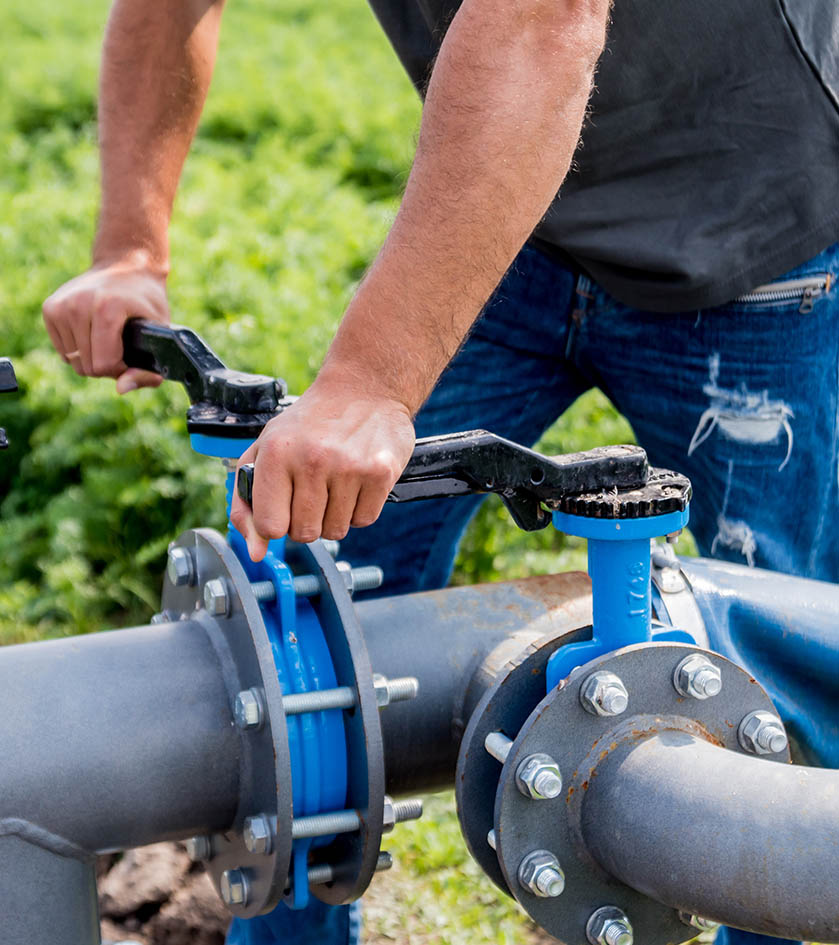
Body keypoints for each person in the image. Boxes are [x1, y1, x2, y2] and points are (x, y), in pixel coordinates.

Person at [43, 1, 839, 943]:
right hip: (510, 220)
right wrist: (131, 247)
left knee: (785, 669)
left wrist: (371, 382)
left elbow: (539, 19)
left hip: (757, 231)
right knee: (306, 596)